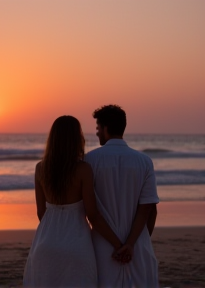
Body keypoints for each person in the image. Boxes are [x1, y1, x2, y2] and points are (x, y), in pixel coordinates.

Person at [23, 115, 122, 288]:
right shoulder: (83, 169)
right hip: (76, 244)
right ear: (77, 138)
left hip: (45, 243)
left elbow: (41, 212)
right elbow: (93, 215)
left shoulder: (41, 168)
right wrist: (118, 244)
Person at [85, 105, 159, 288]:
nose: (96, 133)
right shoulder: (144, 161)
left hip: (102, 245)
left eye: (98, 128)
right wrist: (132, 244)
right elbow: (148, 209)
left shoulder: (89, 161)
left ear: (106, 128)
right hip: (137, 244)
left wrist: (118, 245)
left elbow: (91, 212)